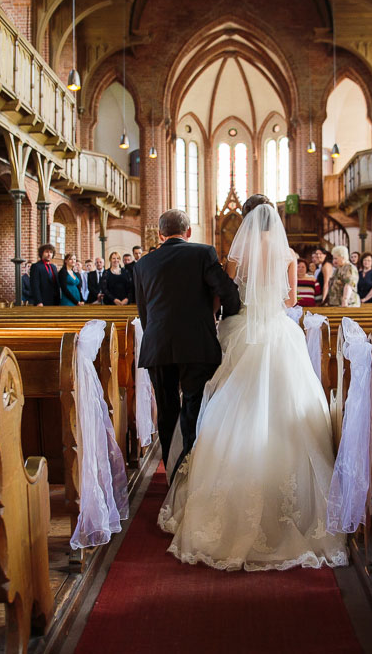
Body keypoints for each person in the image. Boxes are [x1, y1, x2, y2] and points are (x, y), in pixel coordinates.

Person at [156, 202, 347, 571]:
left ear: (245, 219)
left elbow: (223, 297)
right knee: (287, 408)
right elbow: (291, 299)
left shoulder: (236, 254)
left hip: (242, 331)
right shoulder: (287, 253)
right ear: (273, 217)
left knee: (228, 406)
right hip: (278, 332)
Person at [134, 208, 241, 478]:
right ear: (189, 231)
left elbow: (144, 310)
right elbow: (227, 291)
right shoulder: (203, 253)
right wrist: (226, 318)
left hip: (158, 344)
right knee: (194, 405)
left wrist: (155, 336)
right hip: (197, 343)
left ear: (160, 234)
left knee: (167, 410)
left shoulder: (143, 264)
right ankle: (191, 468)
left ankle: (171, 471)